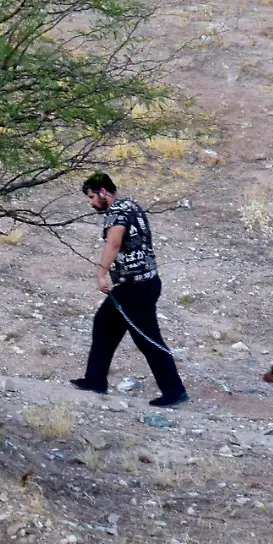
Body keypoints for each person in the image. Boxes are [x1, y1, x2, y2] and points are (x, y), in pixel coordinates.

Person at [71, 172, 189, 407]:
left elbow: (113, 243)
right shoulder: (130, 206)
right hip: (136, 284)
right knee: (104, 323)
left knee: (148, 339)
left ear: (104, 192)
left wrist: (101, 272)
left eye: (92, 196)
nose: (91, 202)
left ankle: (174, 391)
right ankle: (95, 380)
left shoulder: (117, 212)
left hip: (137, 285)